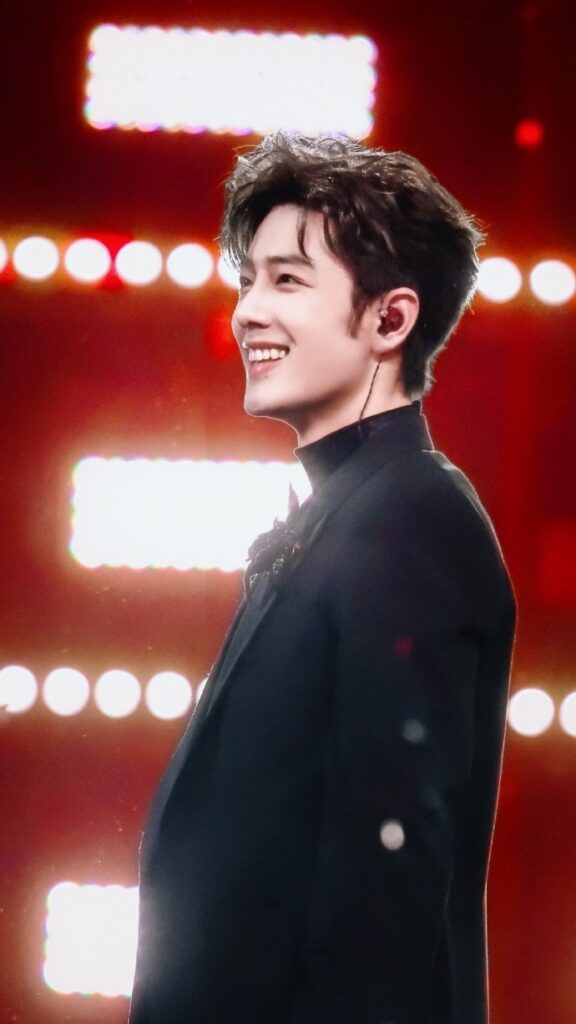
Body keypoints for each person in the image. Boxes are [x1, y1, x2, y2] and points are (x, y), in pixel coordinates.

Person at [129, 132, 515, 1024]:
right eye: (248, 281)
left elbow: (385, 905)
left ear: (391, 320)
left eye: (288, 281)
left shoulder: (411, 519)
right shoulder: (354, 513)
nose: (248, 313)